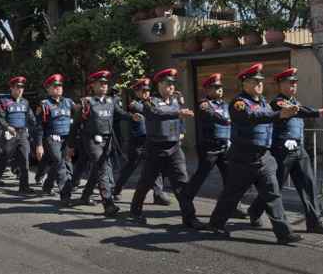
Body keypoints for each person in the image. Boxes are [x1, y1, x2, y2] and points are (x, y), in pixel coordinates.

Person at [207, 63, 302, 245]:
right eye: (254, 81)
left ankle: (284, 233)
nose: (259, 84)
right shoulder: (239, 103)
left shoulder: (264, 102)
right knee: (232, 194)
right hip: (243, 158)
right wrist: (279, 114)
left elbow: (268, 120)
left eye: (260, 81)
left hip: (263, 158)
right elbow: (252, 118)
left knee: (273, 195)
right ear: (245, 84)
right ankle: (216, 224)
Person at [247, 67, 323, 234]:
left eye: (295, 83)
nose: (293, 86)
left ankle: (314, 222)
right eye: (289, 83)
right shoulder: (278, 102)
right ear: (280, 85)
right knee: (274, 187)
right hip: (282, 151)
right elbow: (300, 112)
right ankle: (254, 211)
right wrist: (321, 111)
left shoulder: (294, 101)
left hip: (298, 149)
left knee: (308, 184)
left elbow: (300, 109)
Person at [129, 68, 205, 229]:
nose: (171, 87)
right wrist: (178, 113)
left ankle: (189, 217)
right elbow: (157, 113)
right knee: (146, 182)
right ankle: (135, 212)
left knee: (182, 183)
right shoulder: (151, 101)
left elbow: (180, 118)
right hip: (155, 148)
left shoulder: (176, 100)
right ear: (159, 85)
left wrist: (182, 130)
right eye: (167, 84)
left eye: (172, 84)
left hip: (174, 148)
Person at [71, 70, 141, 217]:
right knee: (102, 168)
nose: (104, 86)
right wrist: (71, 145)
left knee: (98, 169)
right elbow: (76, 124)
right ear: (93, 85)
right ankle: (108, 204)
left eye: (105, 84)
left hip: (107, 140)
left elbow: (120, 113)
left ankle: (85, 196)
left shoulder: (110, 101)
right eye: (100, 83)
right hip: (91, 140)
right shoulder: (86, 102)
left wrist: (131, 116)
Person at [185, 73, 247, 218]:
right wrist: (227, 120)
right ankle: (185, 199)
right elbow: (214, 116)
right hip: (209, 148)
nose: (219, 90)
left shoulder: (226, 104)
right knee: (201, 176)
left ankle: (233, 207)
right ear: (207, 89)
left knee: (231, 178)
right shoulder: (204, 105)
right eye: (215, 87)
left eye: (220, 87)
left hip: (225, 147)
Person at [112, 78, 169, 204]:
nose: (146, 93)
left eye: (147, 90)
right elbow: (148, 111)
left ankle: (158, 194)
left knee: (156, 166)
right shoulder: (134, 104)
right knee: (131, 166)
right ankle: (117, 189)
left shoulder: (153, 102)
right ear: (136, 92)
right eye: (143, 91)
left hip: (151, 140)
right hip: (137, 142)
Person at [0, 76, 39, 194]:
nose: (20, 90)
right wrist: (7, 127)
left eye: (22, 87)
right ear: (11, 88)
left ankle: (24, 186)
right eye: (17, 87)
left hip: (22, 134)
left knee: (25, 159)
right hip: (9, 134)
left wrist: (37, 127)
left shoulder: (25, 102)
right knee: (5, 158)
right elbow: (0, 118)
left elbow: (31, 119)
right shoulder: (4, 102)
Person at [35, 74, 76, 206]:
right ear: (48, 89)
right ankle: (65, 196)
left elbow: (78, 117)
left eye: (60, 86)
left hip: (67, 138)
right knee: (60, 163)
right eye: (55, 86)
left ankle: (47, 186)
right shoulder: (45, 105)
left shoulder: (69, 102)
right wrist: (39, 145)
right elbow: (40, 127)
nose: (58, 88)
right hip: (52, 138)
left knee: (60, 163)